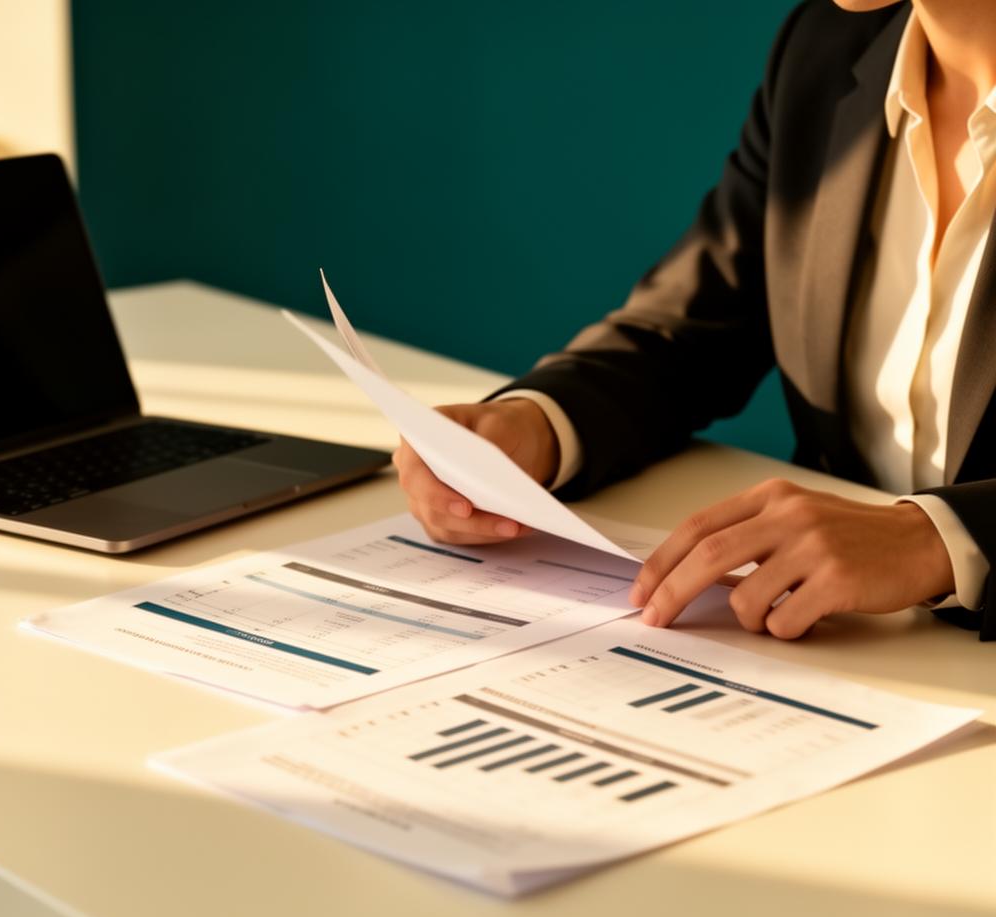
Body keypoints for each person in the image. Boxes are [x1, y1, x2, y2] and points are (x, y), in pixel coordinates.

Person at [393, 0, 996, 642]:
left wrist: (935, 540)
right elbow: (691, 327)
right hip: (833, 647)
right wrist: (536, 423)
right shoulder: (826, 47)